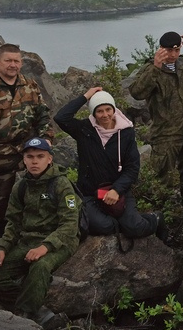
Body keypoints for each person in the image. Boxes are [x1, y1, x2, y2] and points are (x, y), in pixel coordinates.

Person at [0, 138, 79, 325]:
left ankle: (26, 316)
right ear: (24, 160)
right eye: (30, 157)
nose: (35, 161)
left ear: (49, 159)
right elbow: (13, 223)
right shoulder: (21, 186)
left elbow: (69, 224)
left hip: (60, 242)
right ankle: (35, 309)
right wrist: (2, 248)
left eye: (40, 156)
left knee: (40, 267)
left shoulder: (61, 185)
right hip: (28, 241)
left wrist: (45, 247)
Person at [54, 88, 166, 244]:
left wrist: (117, 189)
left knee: (134, 228)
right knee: (103, 226)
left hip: (118, 191)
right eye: (99, 111)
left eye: (108, 109)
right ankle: (117, 222)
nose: (105, 115)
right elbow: (61, 117)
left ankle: (155, 218)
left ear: (114, 109)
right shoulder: (84, 129)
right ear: (93, 113)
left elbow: (132, 167)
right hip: (90, 193)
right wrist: (86, 96)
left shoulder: (126, 133)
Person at [0, 43, 52, 236]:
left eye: (16, 61)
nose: (12, 65)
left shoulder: (30, 86)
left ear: (21, 63)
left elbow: (43, 115)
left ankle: (30, 230)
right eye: (8, 60)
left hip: (26, 149)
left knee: (35, 192)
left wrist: (46, 140)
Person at [128, 30, 183, 203]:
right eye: (169, 50)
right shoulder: (151, 68)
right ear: (161, 49)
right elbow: (136, 92)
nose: (173, 54)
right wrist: (155, 67)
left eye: (176, 50)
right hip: (165, 135)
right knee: (162, 179)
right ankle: (162, 221)